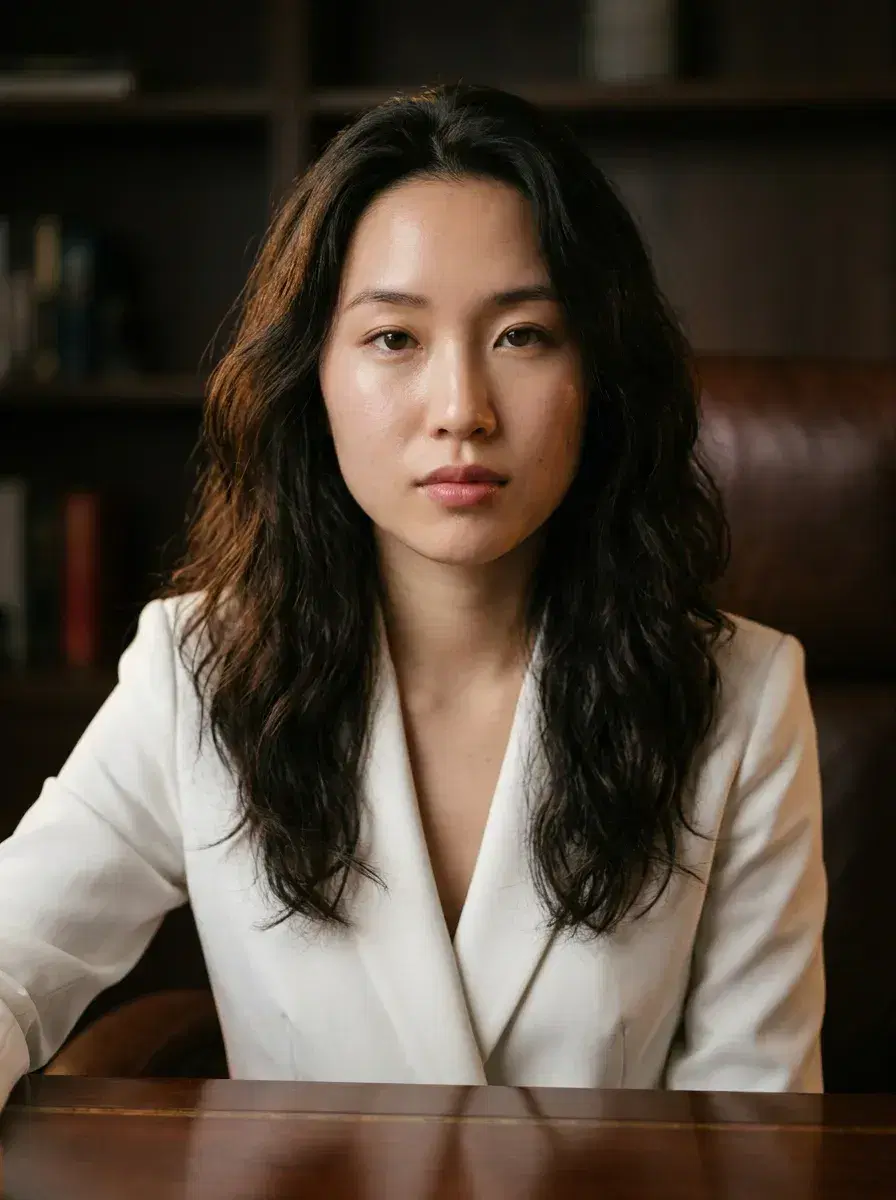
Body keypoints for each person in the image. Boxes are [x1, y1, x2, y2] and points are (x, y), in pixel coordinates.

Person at [0, 84, 826, 1120]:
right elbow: (12, 958)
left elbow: (756, 1123)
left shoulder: (739, 698)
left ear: (599, 374)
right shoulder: (199, 668)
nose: (460, 412)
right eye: (394, 338)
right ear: (315, 376)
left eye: (521, 335)